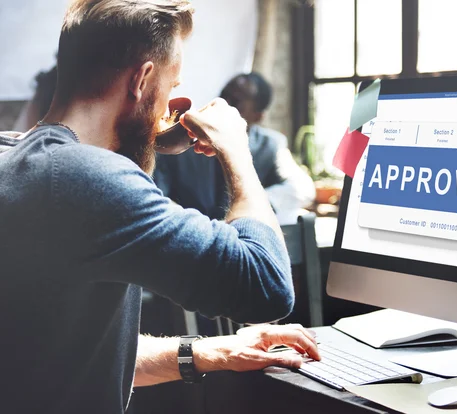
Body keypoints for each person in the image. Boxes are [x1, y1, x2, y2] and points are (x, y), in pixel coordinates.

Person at [0, 1, 319, 413]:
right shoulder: (87, 178)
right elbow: (267, 285)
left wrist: (214, 351)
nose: (168, 105)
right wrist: (237, 151)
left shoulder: (16, 156)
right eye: (171, 87)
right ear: (143, 79)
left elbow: (65, 354)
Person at [154, 72, 315, 223]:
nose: (224, 104)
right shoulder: (182, 140)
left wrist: (252, 205)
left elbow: (302, 188)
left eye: (236, 101)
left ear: (258, 116)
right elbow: (157, 195)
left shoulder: (270, 145)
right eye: (224, 95)